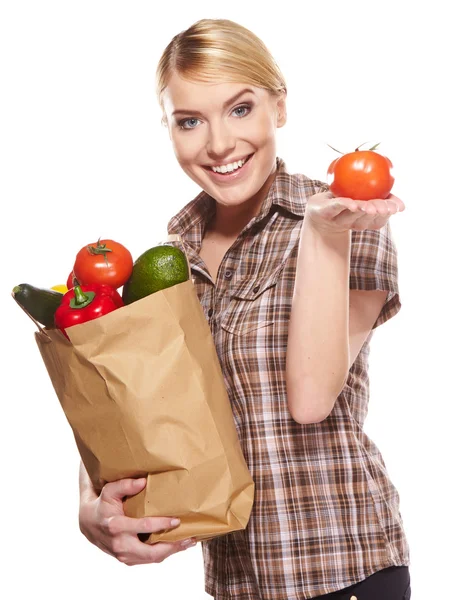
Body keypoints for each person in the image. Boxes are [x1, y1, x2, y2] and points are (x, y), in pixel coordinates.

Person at [79, 18, 411, 600]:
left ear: (278, 107)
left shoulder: (347, 219)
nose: (218, 144)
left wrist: (323, 235)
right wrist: (92, 508)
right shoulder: (168, 260)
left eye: (239, 109)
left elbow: (310, 401)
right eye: (190, 121)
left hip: (344, 571)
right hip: (236, 583)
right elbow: (140, 409)